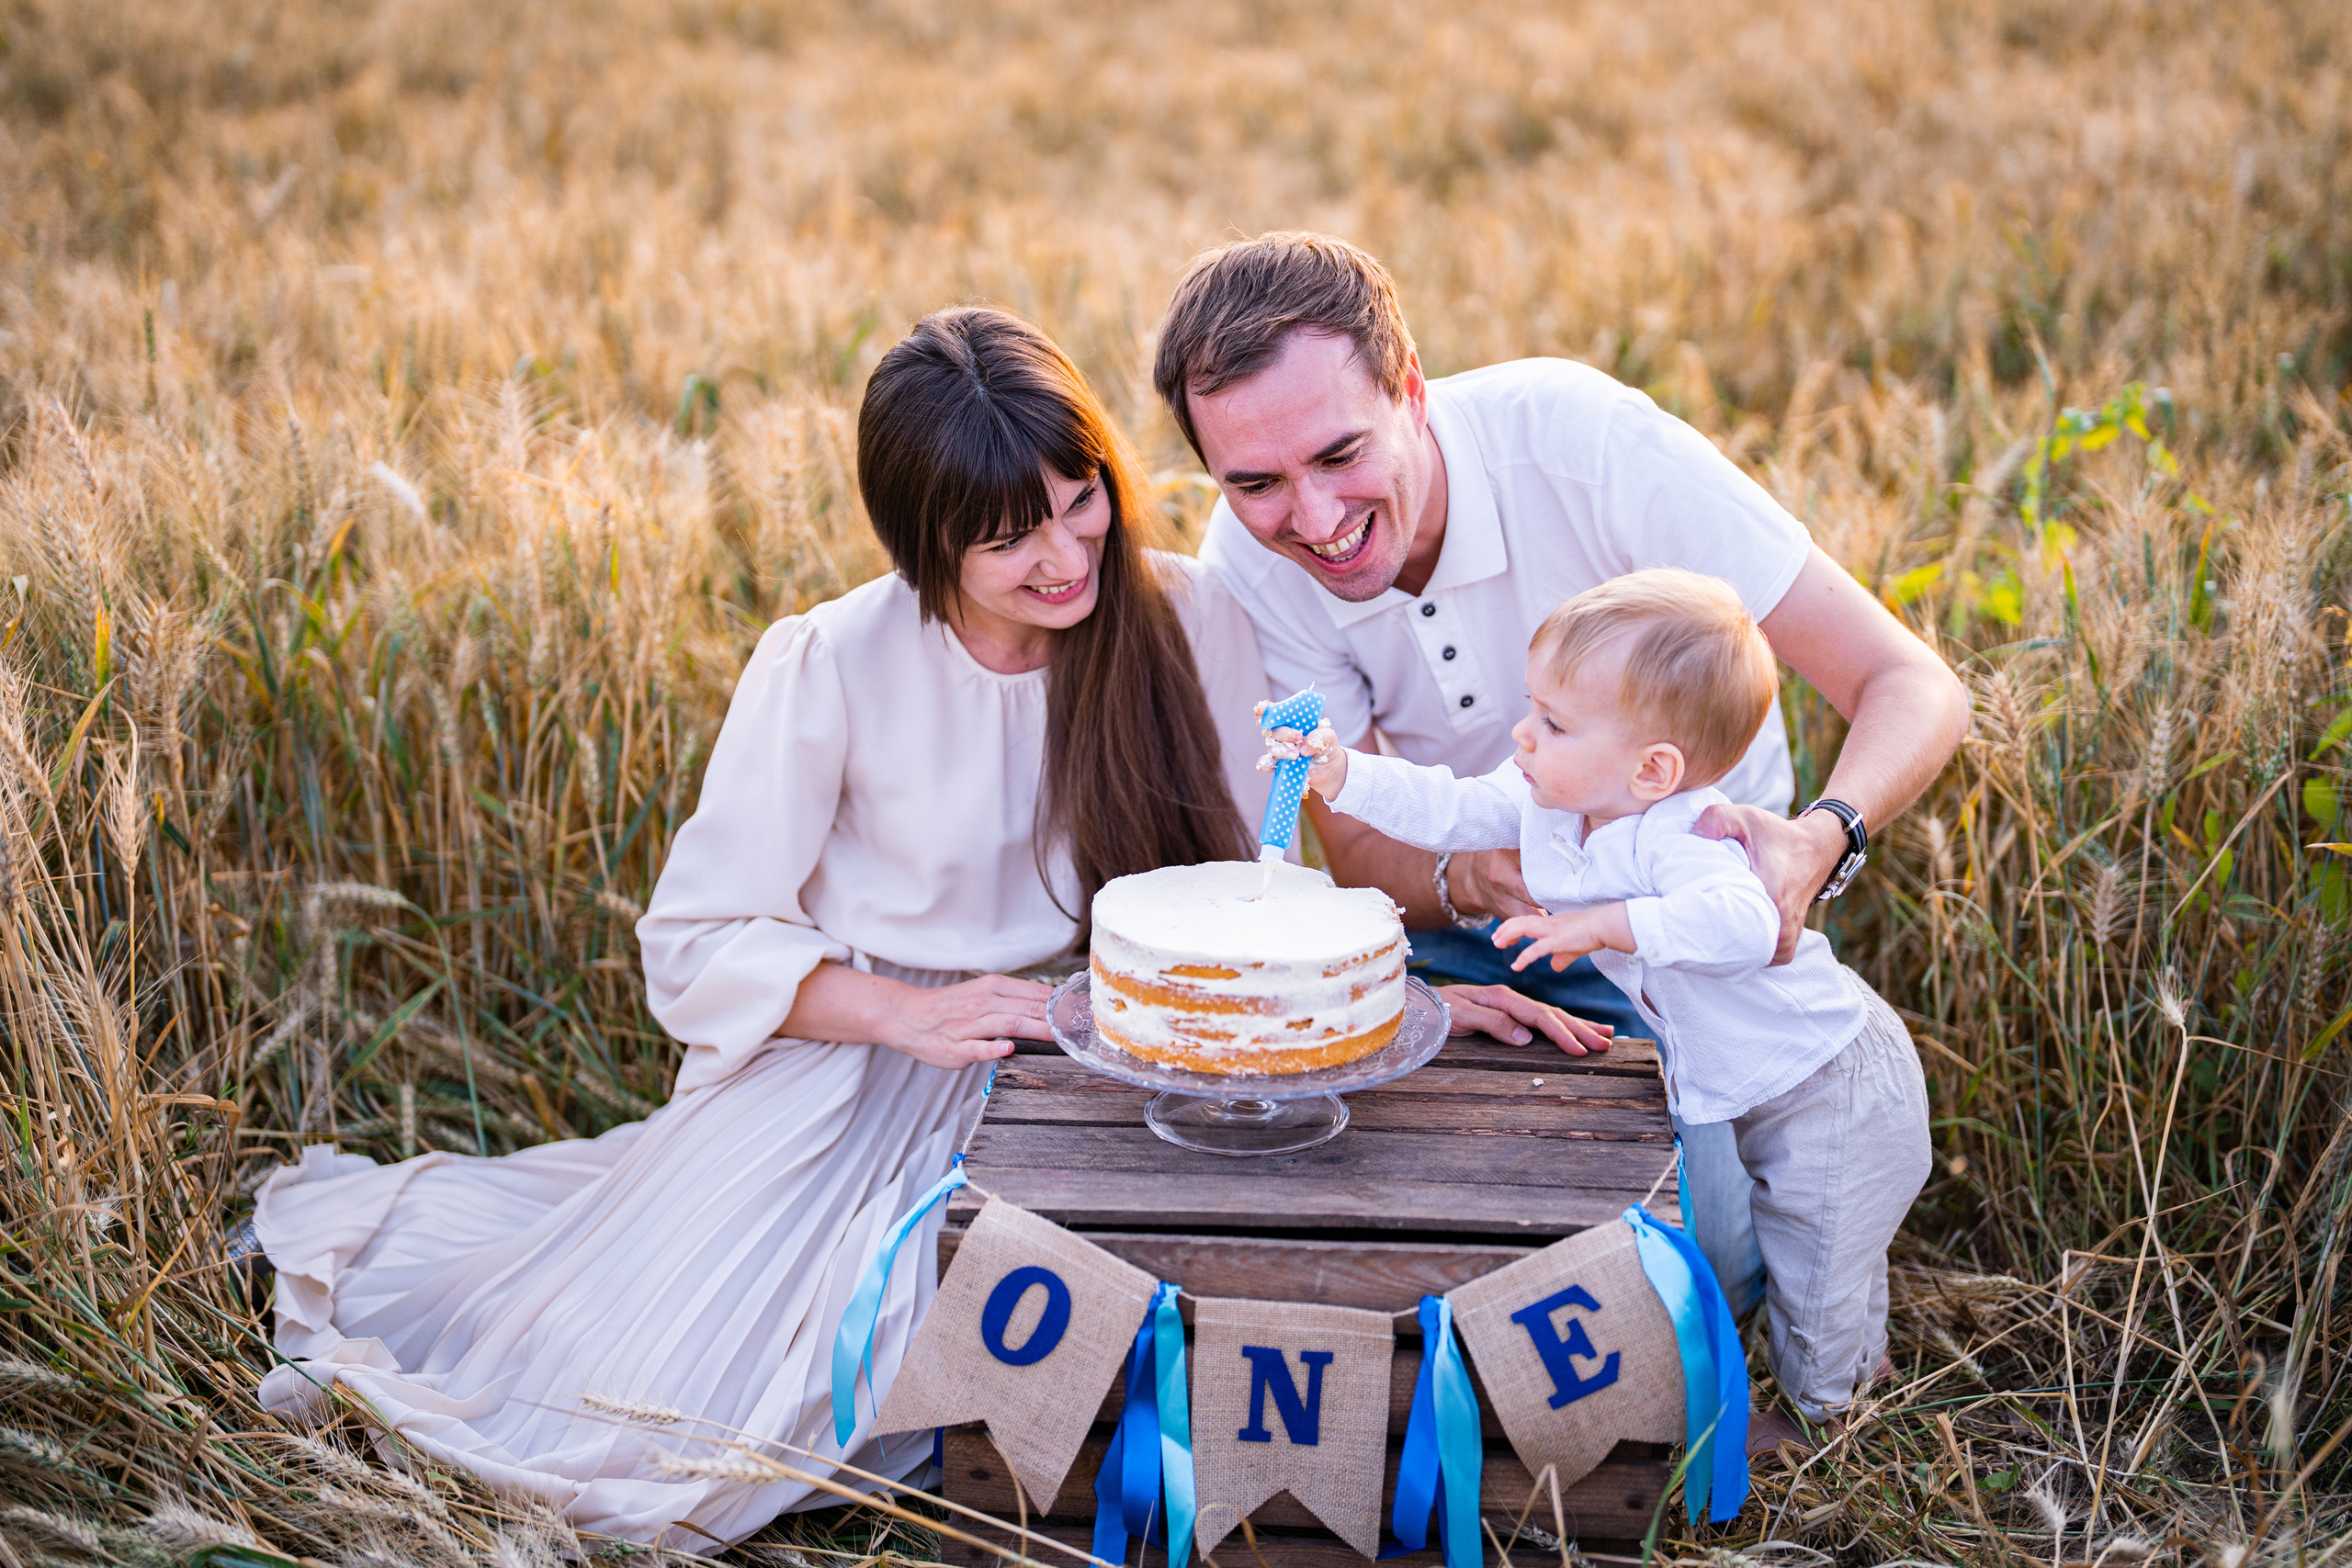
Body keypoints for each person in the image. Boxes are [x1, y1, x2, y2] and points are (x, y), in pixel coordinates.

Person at [244, 308, 1276, 1550]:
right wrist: (908, 1011)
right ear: (922, 540)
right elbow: (697, 935)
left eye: (1081, 498)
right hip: (860, 1056)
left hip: (1089, 1040)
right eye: (1010, 539)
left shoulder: (1187, 615)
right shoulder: (833, 660)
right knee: (687, 1403)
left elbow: (1250, 876)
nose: (1066, 554)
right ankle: (445, 1347)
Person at [1159, 231, 1967, 1379]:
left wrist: (1819, 838)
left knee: (1714, 1276)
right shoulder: (1251, 568)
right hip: (1472, 951)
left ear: (1413, 391)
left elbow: (1910, 685)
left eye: (1340, 453)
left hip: (1693, 948)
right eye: (1254, 483)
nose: (1313, 517)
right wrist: (1479, 888)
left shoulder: (1582, 442)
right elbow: (1368, 842)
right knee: (1379, 1239)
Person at [1268, 569, 1932, 1435]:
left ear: (1654, 768)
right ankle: (1846, 1366)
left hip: (1830, 1079)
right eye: (1532, 707)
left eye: (1553, 722)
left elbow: (1747, 922)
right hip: (1744, 1082)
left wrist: (1607, 924)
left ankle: (1828, 1427)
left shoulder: (1691, 833)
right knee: (1787, 1242)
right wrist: (1340, 771)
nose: (1523, 734)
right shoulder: (1550, 800)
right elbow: (1448, 804)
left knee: (1818, 1259)